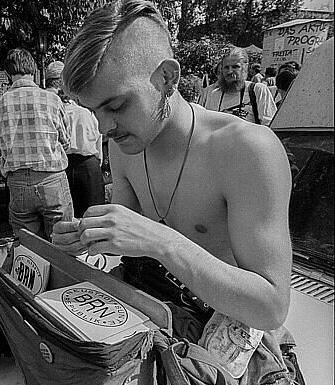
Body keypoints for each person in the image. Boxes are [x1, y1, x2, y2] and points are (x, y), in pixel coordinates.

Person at [54, 0, 297, 382]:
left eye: (115, 105)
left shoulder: (248, 150)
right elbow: (129, 242)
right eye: (93, 111)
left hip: (222, 336)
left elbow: (271, 307)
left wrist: (163, 242)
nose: (103, 128)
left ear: (167, 78)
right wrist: (89, 237)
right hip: (149, 312)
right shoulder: (124, 145)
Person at [0, 48, 73, 240]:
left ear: (7, 74)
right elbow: (66, 141)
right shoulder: (52, 99)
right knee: (63, 241)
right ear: (34, 70)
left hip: (18, 182)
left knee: (29, 247)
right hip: (52, 178)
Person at [45, 60, 104, 218]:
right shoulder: (87, 110)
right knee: (95, 217)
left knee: (70, 218)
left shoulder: (50, 111)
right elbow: (99, 140)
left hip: (62, 167)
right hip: (89, 165)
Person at [198, 47, 277, 126]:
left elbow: (270, 126)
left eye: (235, 67)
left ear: (245, 67)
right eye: (226, 67)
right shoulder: (210, 94)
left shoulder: (257, 91)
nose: (229, 71)